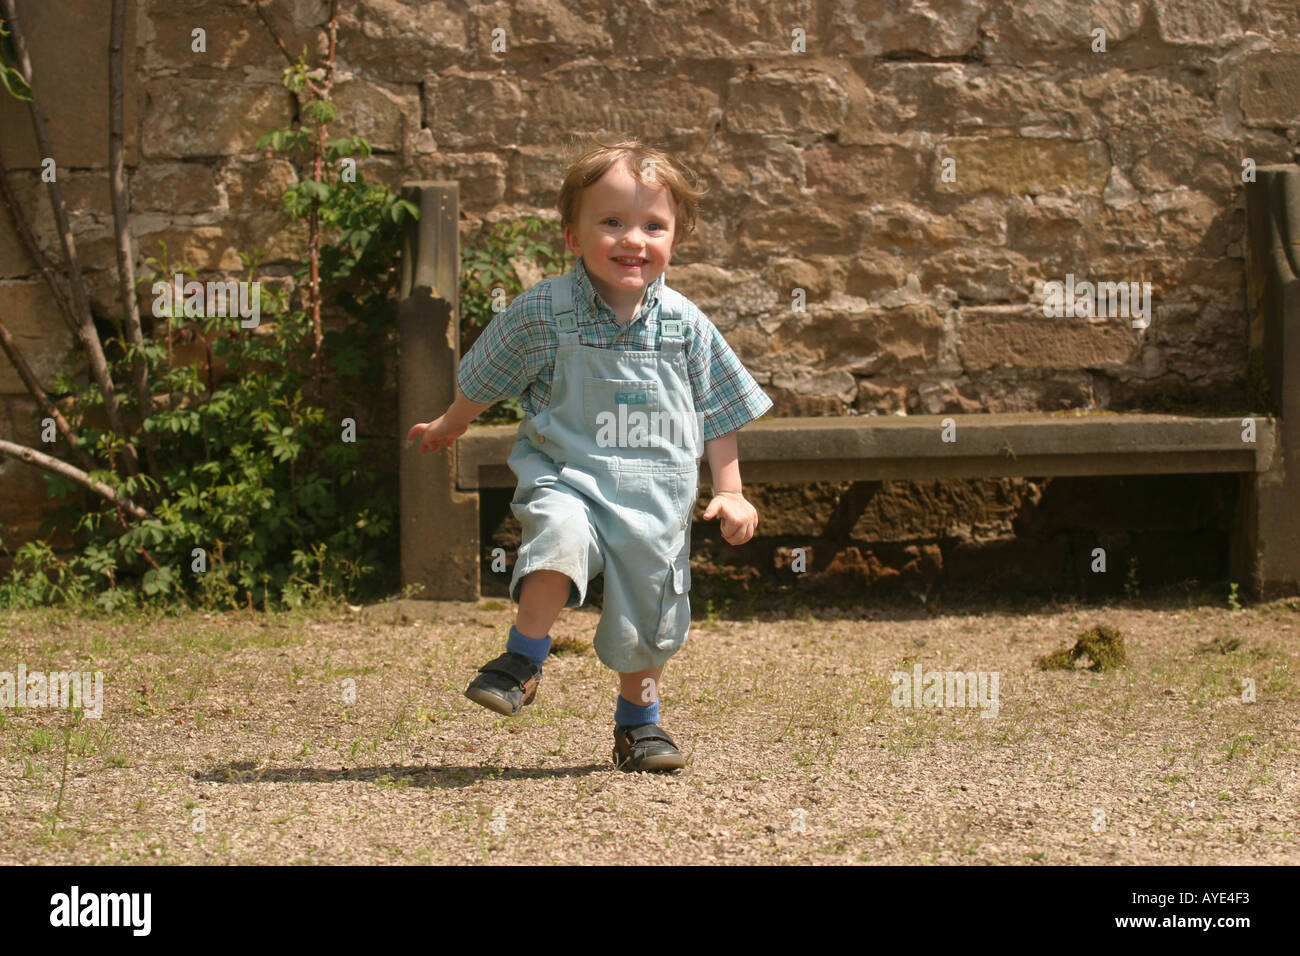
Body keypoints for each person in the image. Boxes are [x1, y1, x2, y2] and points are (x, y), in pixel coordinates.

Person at [407, 138, 772, 772]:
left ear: (674, 240)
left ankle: (640, 724)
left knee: (649, 613)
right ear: (574, 238)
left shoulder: (686, 325)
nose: (634, 239)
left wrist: (731, 489)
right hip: (566, 474)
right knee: (557, 537)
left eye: (653, 225)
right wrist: (450, 422)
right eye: (612, 222)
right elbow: (488, 374)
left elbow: (719, 410)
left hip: (652, 495)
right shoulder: (545, 312)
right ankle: (523, 657)